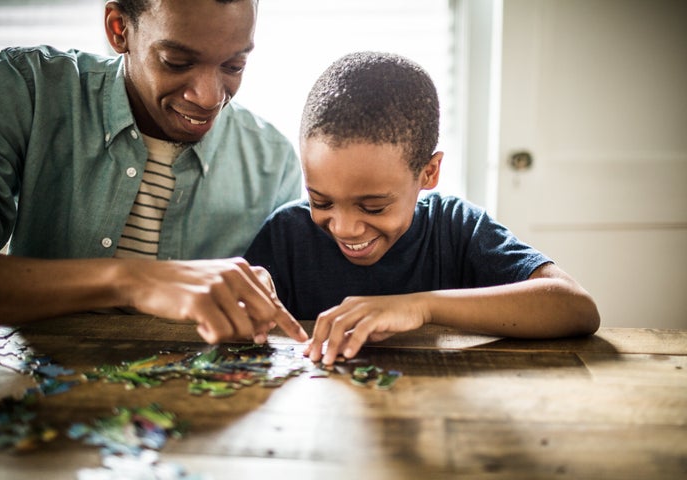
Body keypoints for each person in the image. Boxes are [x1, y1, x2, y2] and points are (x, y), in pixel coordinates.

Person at [0, 0, 308, 345]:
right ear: (119, 30)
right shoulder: (30, 90)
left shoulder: (273, 162)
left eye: (234, 66)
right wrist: (131, 281)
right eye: (176, 62)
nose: (208, 98)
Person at [244, 51, 600, 365]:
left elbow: (576, 309)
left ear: (428, 173)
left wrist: (421, 307)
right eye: (321, 201)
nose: (344, 227)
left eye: (373, 207)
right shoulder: (287, 233)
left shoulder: (458, 228)